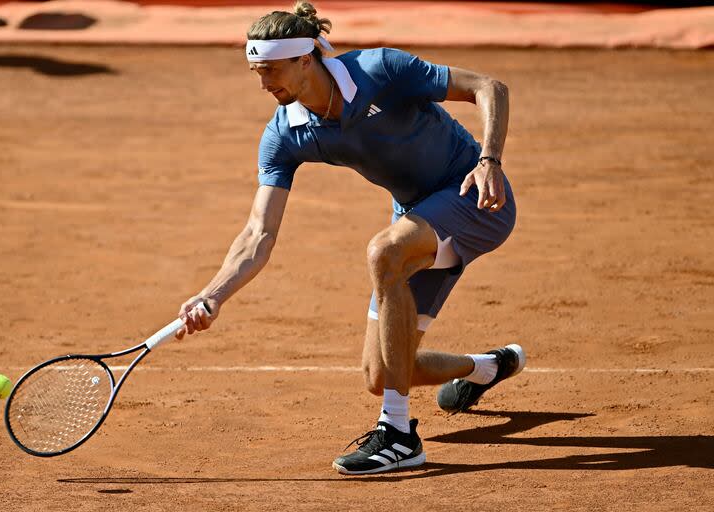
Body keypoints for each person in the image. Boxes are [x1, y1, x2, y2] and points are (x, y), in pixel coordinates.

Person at [175, 1, 525, 475]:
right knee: (382, 373)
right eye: (256, 72)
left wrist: (490, 161)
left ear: (306, 59)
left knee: (384, 251)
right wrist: (212, 295)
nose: (263, 84)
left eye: (271, 70)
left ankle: (398, 435)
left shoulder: (381, 69)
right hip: (419, 215)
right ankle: (485, 367)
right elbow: (259, 233)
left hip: (473, 196)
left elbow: (488, 87)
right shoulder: (285, 134)